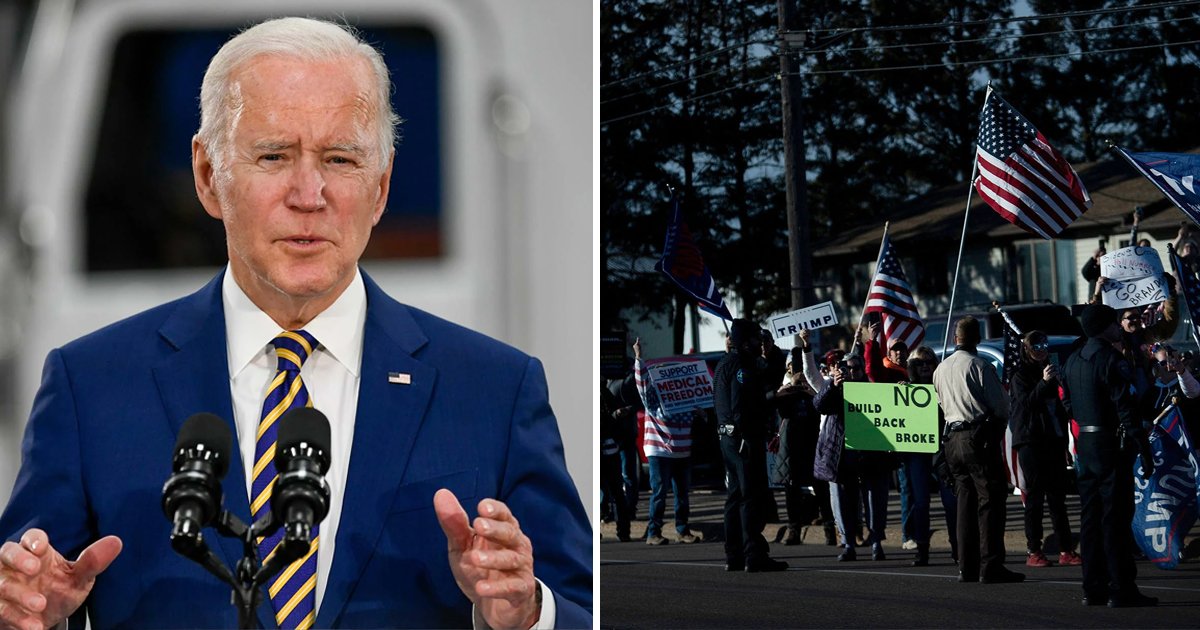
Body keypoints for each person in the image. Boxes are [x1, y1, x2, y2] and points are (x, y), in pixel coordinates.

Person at [0, 17, 590, 630]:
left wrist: (528, 613)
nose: (309, 194)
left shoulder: (494, 388)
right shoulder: (89, 385)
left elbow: (580, 606)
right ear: (208, 176)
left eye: (340, 159)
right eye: (274, 156)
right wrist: (31, 614)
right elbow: (25, 589)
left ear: (382, 186)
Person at [1060, 304, 1158, 607]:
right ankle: (1122, 587)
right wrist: (1143, 447)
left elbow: (1066, 404)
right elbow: (1126, 407)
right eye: (1115, 323)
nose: (1119, 327)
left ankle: (1093, 587)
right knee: (1115, 517)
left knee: (1090, 518)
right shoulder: (1110, 359)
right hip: (1110, 442)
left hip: (1085, 444)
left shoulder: (1073, 359)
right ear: (1104, 327)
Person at [932, 316, 1024, 584]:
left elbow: (940, 403)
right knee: (990, 502)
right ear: (977, 340)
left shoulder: (941, 369)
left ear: (954, 339)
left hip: (952, 439)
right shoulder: (979, 365)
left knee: (964, 504)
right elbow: (1002, 406)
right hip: (977, 437)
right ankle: (991, 564)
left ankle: (966, 566)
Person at [713, 319, 787, 573]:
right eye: (757, 339)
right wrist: (771, 399)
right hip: (742, 439)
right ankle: (753, 554)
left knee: (735, 496)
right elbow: (741, 403)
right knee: (749, 497)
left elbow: (767, 374)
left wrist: (773, 354)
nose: (760, 343)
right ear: (745, 342)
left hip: (729, 438)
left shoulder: (726, 363)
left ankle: (734, 554)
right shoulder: (740, 365)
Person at [1006, 330, 1082, 569]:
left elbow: (1060, 408)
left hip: (1053, 441)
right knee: (1035, 498)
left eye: (1044, 345)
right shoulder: (1020, 376)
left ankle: (1066, 549)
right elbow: (1027, 403)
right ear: (1027, 350)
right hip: (1031, 442)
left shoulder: (1052, 372)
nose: (1041, 350)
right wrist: (1043, 382)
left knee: (1058, 498)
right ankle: (1034, 550)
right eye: (1035, 346)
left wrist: (1065, 443)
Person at [814, 354, 892, 562]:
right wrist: (833, 385)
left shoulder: (871, 388)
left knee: (874, 499)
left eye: (856, 368)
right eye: (847, 369)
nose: (852, 372)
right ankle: (848, 544)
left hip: (869, 453)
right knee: (841, 500)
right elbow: (819, 405)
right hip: (840, 454)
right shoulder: (834, 387)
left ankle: (876, 542)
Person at [632, 338, 698, 546]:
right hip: (659, 451)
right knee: (659, 492)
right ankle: (654, 532)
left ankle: (682, 530)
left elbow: (702, 396)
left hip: (682, 451)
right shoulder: (651, 397)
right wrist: (638, 358)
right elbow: (641, 383)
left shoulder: (685, 399)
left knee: (682, 494)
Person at [898, 346, 958, 567]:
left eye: (928, 362)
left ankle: (957, 548)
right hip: (917, 455)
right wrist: (900, 397)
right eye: (919, 364)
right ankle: (922, 550)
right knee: (921, 504)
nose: (924, 367)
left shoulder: (945, 387)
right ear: (911, 367)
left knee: (951, 503)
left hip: (943, 453)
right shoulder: (904, 391)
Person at [773, 347, 826, 546]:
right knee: (791, 489)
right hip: (791, 447)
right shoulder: (784, 387)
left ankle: (830, 527)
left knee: (821, 486)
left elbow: (822, 400)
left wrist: (807, 388)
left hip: (814, 443)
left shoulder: (813, 385)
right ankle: (793, 529)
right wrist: (791, 387)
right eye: (794, 367)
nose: (798, 372)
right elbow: (776, 402)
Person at [601, 384, 632, 543]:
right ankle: (623, 530)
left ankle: (624, 530)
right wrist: (614, 416)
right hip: (603, 448)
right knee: (613, 492)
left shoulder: (603, 390)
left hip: (609, 448)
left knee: (616, 492)